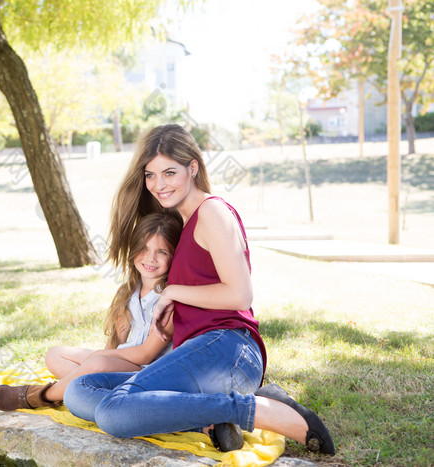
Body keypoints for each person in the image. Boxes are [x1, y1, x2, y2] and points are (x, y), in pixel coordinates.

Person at [63, 124, 335, 455]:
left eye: (169, 172)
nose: (158, 185)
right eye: (150, 175)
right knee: (79, 390)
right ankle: (212, 418)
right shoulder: (183, 221)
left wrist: (174, 292)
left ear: (193, 167)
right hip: (194, 356)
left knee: (112, 413)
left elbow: (240, 295)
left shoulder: (212, 212)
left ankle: (257, 411)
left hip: (228, 349)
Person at [0, 212, 183, 411]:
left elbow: (145, 355)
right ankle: (87, 388)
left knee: (96, 363)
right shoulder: (129, 291)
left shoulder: (171, 299)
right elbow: (115, 342)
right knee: (55, 355)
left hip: (145, 371)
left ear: (174, 256)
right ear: (133, 250)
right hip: (117, 361)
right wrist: (103, 356)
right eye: (144, 248)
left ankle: (38, 396)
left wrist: (101, 358)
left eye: (162, 252)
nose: (150, 258)